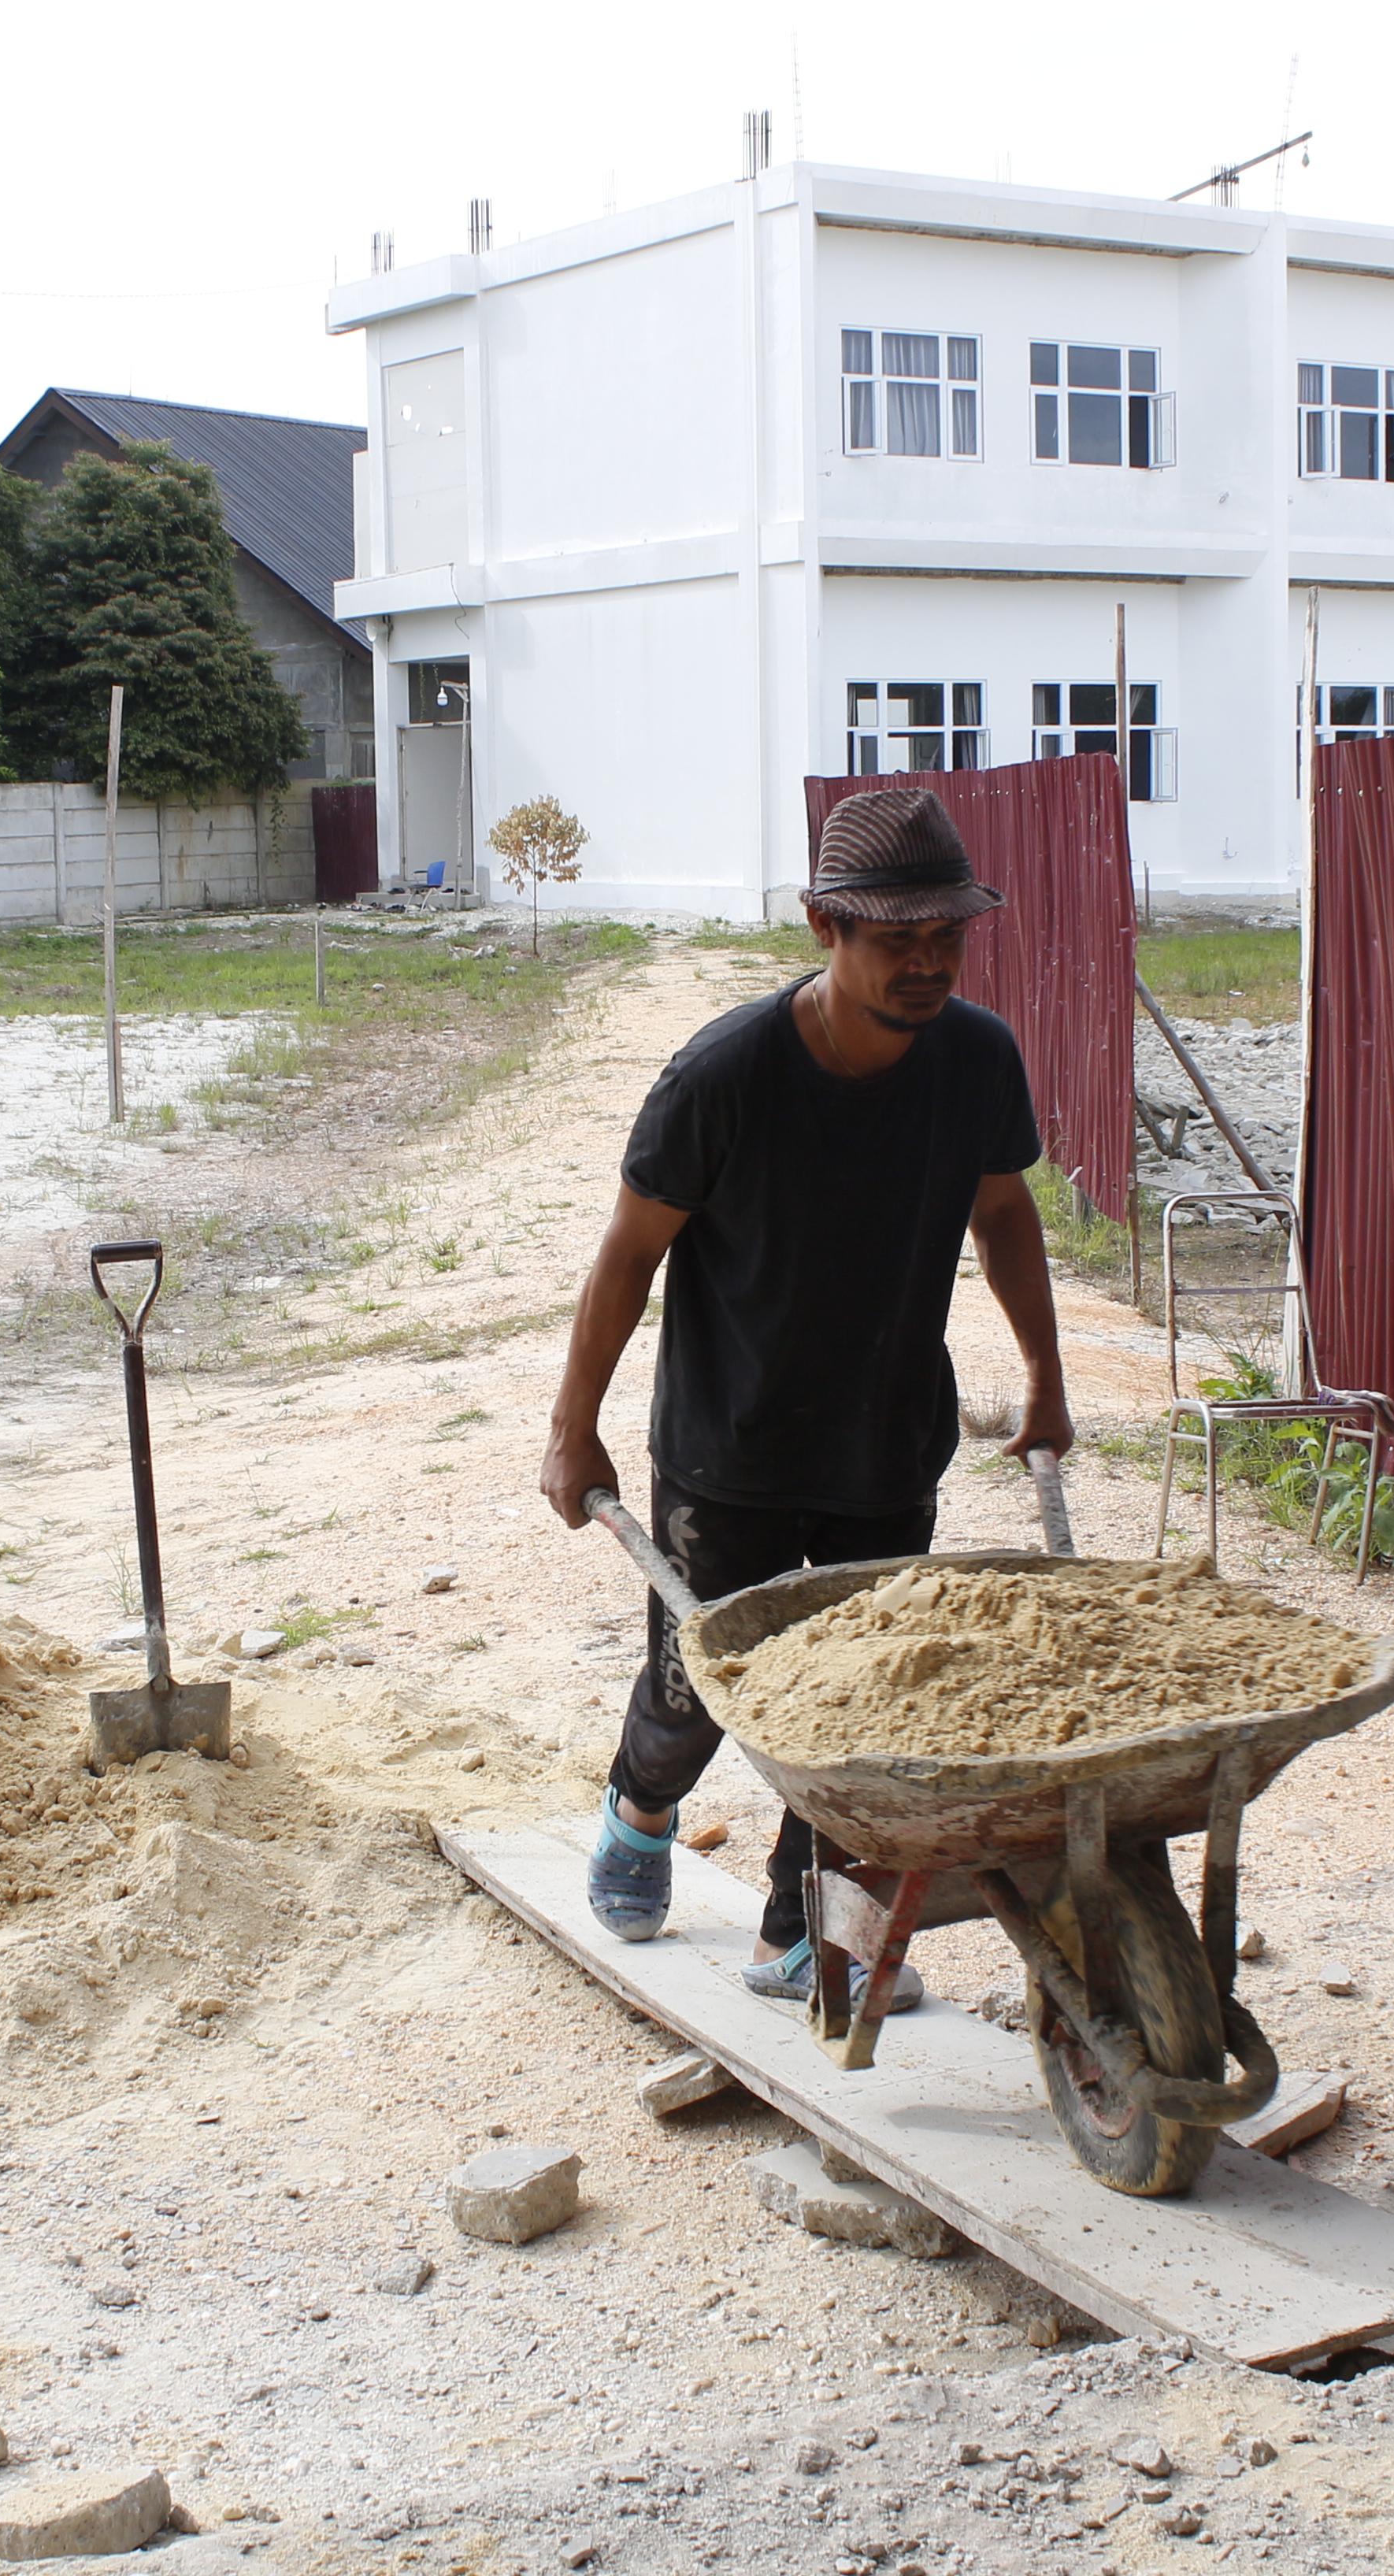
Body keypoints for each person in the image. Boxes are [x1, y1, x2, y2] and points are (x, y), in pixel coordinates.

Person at [536, 783, 1075, 1996]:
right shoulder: (724, 1076)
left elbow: (1004, 1216)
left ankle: (803, 1929)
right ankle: (643, 1804)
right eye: (899, 941)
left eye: (949, 937)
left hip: (887, 1444)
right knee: (700, 1692)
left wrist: (1043, 1379)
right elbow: (629, 1254)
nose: (929, 965)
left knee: (861, 1707)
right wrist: (575, 1433)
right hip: (732, 1448)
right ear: (824, 924)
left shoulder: (977, 1059)